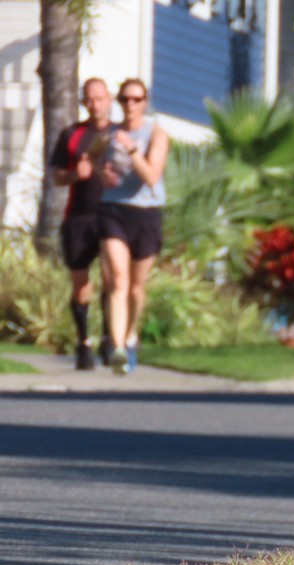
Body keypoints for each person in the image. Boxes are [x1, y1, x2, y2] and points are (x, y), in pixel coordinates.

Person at [98, 78, 169, 375]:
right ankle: (116, 348)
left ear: (145, 102)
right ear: (119, 101)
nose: (130, 104)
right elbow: (93, 162)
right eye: (125, 99)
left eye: (136, 99)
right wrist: (103, 174)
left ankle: (130, 336)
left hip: (146, 213)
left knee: (136, 289)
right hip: (113, 210)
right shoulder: (109, 134)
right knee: (117, 279)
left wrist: (131, 151)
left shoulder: (156, 134)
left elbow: (151, 175)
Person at [49, 77, 114, 370]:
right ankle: (84, 341)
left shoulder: (120, 134)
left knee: (113, 278)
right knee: (81, 284)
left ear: (109, 99)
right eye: (89, 99)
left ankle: (109, 339)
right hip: (78, 217)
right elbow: (56, 176)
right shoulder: (72, 135)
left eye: (100, 98)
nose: (95, 104)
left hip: (113, 215)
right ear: (83, 101)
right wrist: (78, 174)